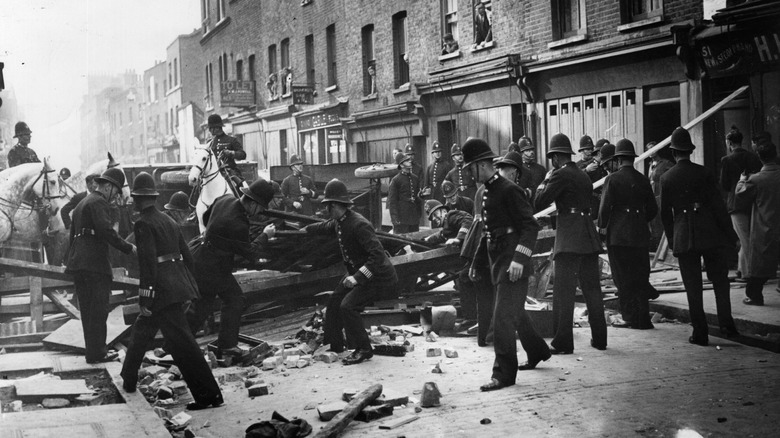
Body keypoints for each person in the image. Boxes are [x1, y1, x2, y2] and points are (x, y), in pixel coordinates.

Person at [119, 173, 223, 410]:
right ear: (153, 197)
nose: (134, 202)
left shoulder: (143, 224)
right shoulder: (169, 221)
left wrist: (146, 296)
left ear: (137, 199)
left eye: (134, 198)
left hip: (160, 292)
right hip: (175, 288)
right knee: (142, 330)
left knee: (183, 345)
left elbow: (148, 263)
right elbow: (188, 257)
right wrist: (187, 287)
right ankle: (128, 378)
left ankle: (209, 395)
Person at [461, 137, 548, 392]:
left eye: (470, 168)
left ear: (481, 165)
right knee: (515, 314)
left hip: (512, 266)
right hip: (498, 263)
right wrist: (477, 263)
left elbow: (530, 226)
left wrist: (520, 259)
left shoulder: (509, 190)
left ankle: (503, 375)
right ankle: (539, 350)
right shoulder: (487, 190)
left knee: (501, 320)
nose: (468, 173)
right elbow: (488, 232)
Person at [303, 179, 398, 365]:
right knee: (335, 302)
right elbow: (325, 227)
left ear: (335, 205)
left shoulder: (358, 225)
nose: (325, 210)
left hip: (378, 277)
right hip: (359, 274)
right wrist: (305, 230)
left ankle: (363, 349)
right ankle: (335, 345)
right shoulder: (340, 221)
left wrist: (357, 278)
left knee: (348, 306)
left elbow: (378, 256)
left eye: (327, 206)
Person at [660, 127, 739, 345]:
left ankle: (700, 333)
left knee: (692, 286)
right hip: (710, 232)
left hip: (684, 235)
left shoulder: (667, 178)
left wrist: (673, 239)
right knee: (720, 281)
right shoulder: (704, 173)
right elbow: (718, 207)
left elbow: (665, 215)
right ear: (690, 151)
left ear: (674, 152)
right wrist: (730, 235)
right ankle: (727, 326)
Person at [534, 133, 607, 354]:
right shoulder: (583, 175)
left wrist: (546, 179)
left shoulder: (559, 175)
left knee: (563, 292)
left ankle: (563, 342)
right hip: (587, 236)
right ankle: (600, 339)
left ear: (555, 157)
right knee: (592, 289)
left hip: (569, 238)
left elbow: (539, 202)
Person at [187, 179, 277, 358]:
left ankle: (173, 344)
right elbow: (250, 252)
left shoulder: (225, 199)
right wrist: (265, 235)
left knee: (202, 306)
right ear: (252, 203)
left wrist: (219, 236)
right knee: (235, 299)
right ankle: (227, 346)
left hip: (201, 256)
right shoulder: (239, 224)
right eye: (260, 208)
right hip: (214, 267)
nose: (260, 212)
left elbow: (205, 218)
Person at [65, 168, 136, 364]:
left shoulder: (82, 204)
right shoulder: (98, 202)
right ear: (108, 186)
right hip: (94, 264)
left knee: (87, 310)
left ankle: (93, 353)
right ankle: (99, 353)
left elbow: (72, 236)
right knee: (98, 309)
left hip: (79, 264)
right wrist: (128, 247)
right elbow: (106, 231)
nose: (116, 196)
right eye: (116, 191)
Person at [597, 139, 657, 330]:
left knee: (622, 277)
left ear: (618, 159)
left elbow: (604, 209)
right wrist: (640, 219)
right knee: (640, 275)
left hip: (618, 235)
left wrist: (602, 227)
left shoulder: (612, 179)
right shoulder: (643, 179)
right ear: (632, 158)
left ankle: (629, 317)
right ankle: (643, 319)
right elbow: (653, 209)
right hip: (639, 234)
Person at [734, 139, 780, 306]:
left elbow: (740, 195)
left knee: (760, 265)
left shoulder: (756, 179)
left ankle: (755, 296)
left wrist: (741, 179)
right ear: (775, 155)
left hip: (765, 227)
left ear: (760, 158)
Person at [423, 199, 478, 329]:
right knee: (465, 279)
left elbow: (468, 220)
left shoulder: (451, 215)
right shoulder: (448, 225)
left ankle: (472, 318)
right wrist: (427, 240)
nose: (435, 219)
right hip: (474, 253)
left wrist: (458, 239)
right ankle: (472, 317)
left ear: (443, 211)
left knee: (465, 279)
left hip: (478, 251)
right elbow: (441, 235)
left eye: (436, 215)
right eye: (432, 218)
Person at [719, 126, 762, 280]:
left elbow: (723, 185)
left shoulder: (726, 160)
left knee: (745, 239)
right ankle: (741, 268)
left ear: (729, 143)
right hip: (752, 201)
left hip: (735, 203)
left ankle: (748, 273)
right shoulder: (753, 157)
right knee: (748, 237)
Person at [646, 141, 675, 249]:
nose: (650, 151)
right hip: (653, 196)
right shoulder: (650, 165)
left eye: (653, 148)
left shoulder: (666, 163)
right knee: (654, 221)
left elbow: (672, 175)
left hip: (661, 195)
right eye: (648, 149)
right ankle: (656, 244)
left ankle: (665, 247)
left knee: (662, 219)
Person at [207, 114, 246, 186]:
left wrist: (231, 153)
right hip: (214, 172)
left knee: (237, 188)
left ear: (217, 128)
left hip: (229, 172)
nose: (209, 130)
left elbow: (243, 155)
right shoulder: (210, 142)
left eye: (210, 128)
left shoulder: (231, 140)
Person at [388, 152, 422, 233]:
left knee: (415, 241)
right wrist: (394, 219)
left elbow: (417, 198)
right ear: (401, 165)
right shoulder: (395, 180)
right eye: (406, 160)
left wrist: (418, 214)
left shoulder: (415, 178)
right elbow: (392, 202)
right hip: (402, 218)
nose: (410, 161)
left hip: (414, 218)